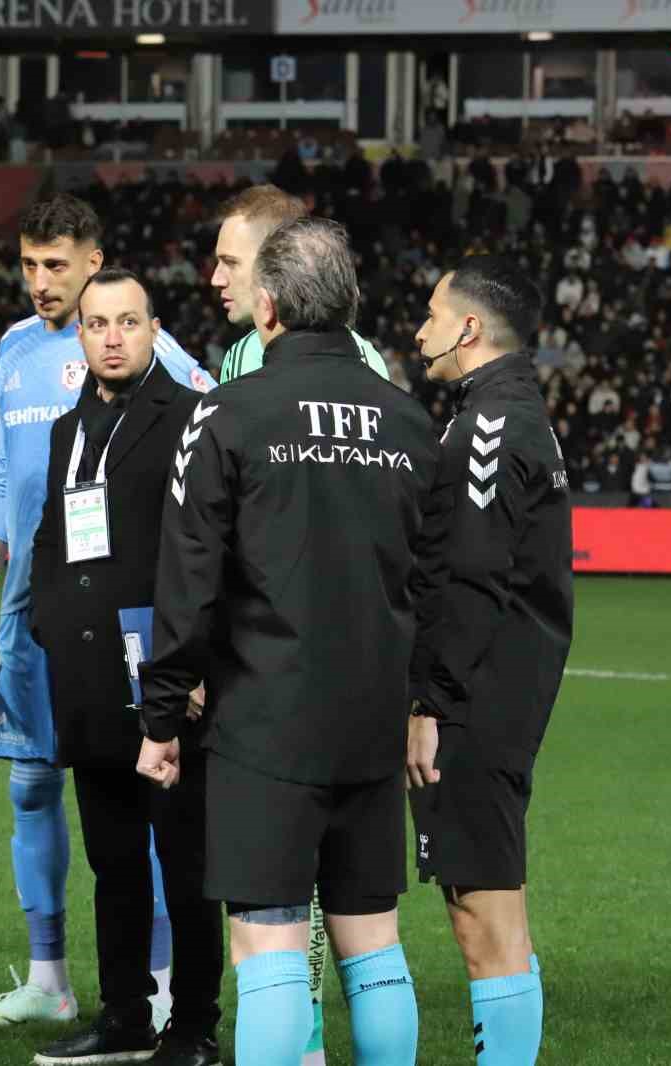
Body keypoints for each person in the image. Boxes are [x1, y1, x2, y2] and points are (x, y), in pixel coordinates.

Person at [137, 218, 439, 1066]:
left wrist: (161, 717)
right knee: (372, 944)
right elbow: (436, 583)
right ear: (348, 304)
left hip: (266, 719)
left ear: (266, 307)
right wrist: (427, 703)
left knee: (268, 947)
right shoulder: (410, 421)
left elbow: (187, 583)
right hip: (374, 722)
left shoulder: (226, 413)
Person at [0, 193, 211, 1030]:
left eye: (56, 265)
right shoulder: (13, 348)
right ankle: (49, 978)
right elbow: (5, 465)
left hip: (121, 614)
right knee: (33, 786)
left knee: (140, 786)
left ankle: (165, 980)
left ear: (94, 264)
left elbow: (203, 441)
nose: (40, 281)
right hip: (36, 605)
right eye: (29, 264)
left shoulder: (144, 345)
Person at [28, 269, 222, 1066]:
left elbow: (206, 551)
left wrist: (194, 664)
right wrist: (46, 618)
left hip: (165, 681)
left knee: (183, 860)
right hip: (87, 681)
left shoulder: (189, 417)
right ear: (80, 335)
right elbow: (51, 537)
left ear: (154, 330)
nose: (112, 336)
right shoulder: (69, 429)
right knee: (112, 863)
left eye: (127, 322)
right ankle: (125, 1017)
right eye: (97, 323)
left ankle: (195, 1026)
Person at [214, 184, 369, 1065]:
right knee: (353, 904)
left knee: (277, 901)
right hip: (360, 665)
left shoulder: (258, 373)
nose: (217, 277)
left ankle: (299, 1041)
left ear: (278, 268)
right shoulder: (370, 374)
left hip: (279, 671)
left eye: (233, 261)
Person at [406, 256, 574, 1066]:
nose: (420, 329)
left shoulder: (488, 427)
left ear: (469, 328)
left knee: (484, 917)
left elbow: (471, 577)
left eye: (432, 314)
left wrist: (430, 704)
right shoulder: (509, 412)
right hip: (498, 694)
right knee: (484, 908)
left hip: (475, 702)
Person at [213, 185, 390, 387]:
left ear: (273, 260)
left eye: (230, 262)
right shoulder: (369, 359)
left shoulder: (245, 356)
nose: (216, 279)